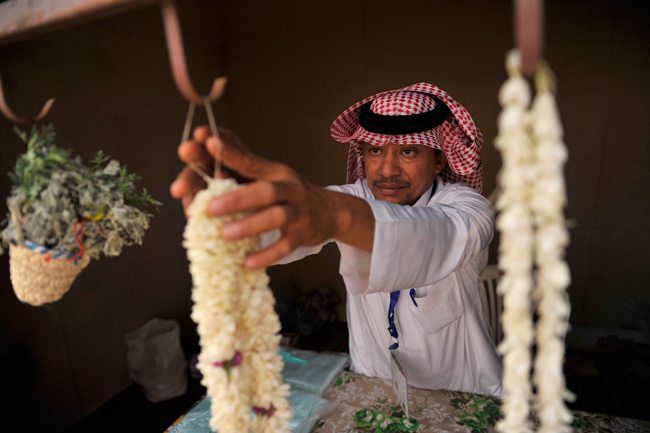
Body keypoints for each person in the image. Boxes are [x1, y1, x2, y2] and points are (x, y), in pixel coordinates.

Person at [171, 82, 503, 397]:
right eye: (375, 150)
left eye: (408, 151)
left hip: (461, 388)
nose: (387, 170)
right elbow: (287, 225)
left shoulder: (469, 207)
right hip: (375, 384)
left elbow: (442, 236)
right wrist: (232, 208)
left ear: (439, 159)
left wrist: (339, 217)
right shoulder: (351, 198)